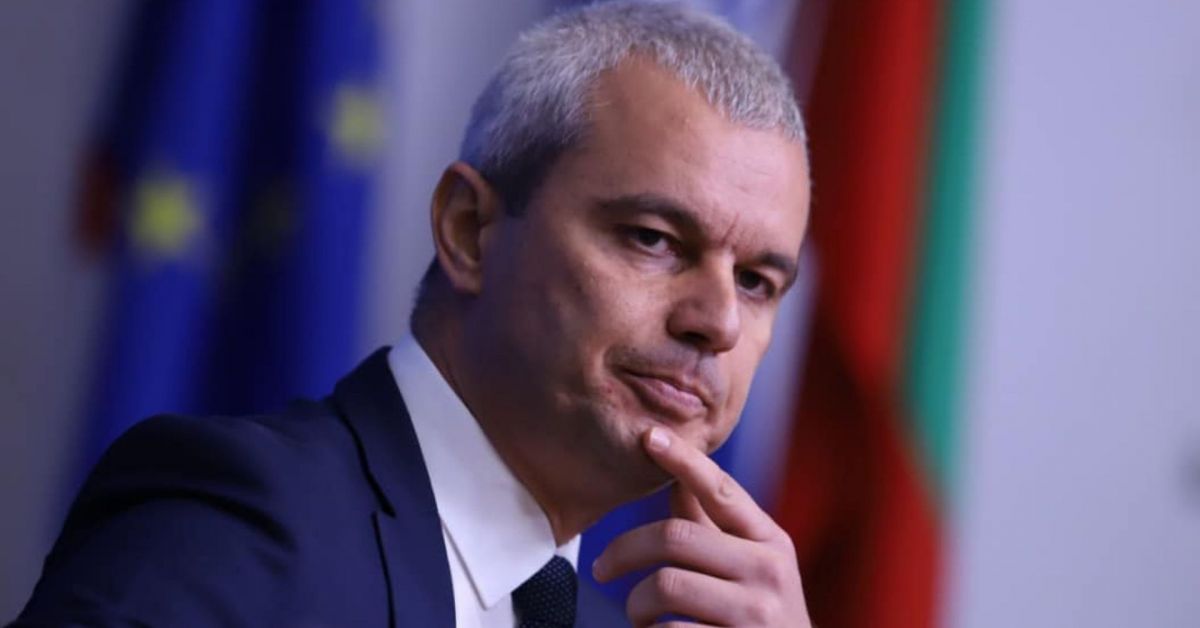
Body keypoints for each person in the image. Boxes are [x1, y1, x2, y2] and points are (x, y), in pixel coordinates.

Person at [13, 2, 813, 626]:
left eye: (756, 282)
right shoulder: (232, 532)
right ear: (469, 231)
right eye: (652, 239)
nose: (718, 321)